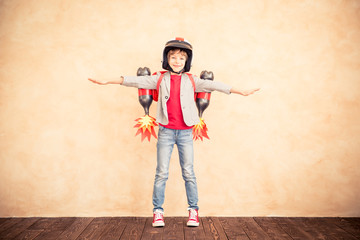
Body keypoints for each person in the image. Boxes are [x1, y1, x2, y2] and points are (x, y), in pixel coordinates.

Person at [88, 37, 259, 228]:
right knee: (161, 172)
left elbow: (216, 85)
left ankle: (193, 211)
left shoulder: (193, 80)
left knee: (189, 172)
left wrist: (241, 91)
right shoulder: (159, 79)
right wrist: (107, 81)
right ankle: (158, 212)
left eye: (181, 58)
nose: (177, 61)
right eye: (173, 57)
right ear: (167, 59)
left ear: (187, 62)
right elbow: (133, 80)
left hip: (185, 133)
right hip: (166, 132)